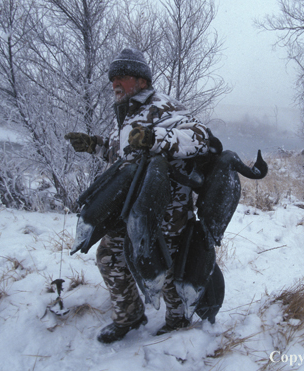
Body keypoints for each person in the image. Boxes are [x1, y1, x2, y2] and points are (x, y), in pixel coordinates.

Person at [65, 48, 211, 344]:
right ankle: (130, 315)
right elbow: (128, 156)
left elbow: (200, 137)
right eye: (112, 78)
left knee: (163, 265)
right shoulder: (130, 111)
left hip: (167, 207)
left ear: (142, 80)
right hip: (131, 205)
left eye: (122, 77)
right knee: (109, 256)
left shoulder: (164, 106)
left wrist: (157, 139)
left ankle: (178, 320)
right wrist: (94, 145)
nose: (115, 83)